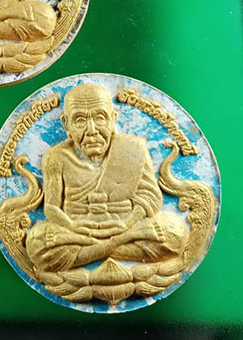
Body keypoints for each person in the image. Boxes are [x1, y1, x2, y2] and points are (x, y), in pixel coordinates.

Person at [26, 83, 188, 273]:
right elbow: (51, 207)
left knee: (175, 231)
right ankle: (112, 247)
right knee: (37, 242)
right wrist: (72, 226)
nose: (92, 130)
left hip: (123, 228)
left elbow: (150, 198)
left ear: (113, 119)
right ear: (66, 124)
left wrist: (126, 225)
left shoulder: (132, 149)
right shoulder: (56, 157)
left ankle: (96, 251)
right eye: (80, 120)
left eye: (100, 118)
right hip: (77, 232)